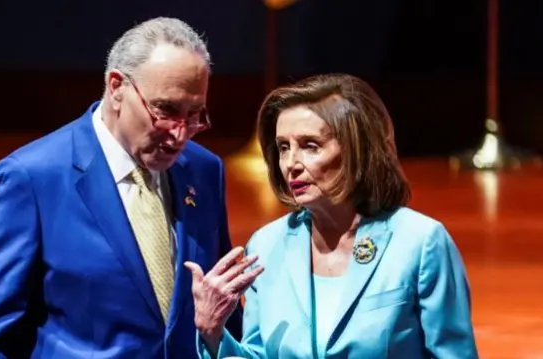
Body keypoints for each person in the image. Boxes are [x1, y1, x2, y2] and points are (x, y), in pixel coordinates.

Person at [0, 17, 242, 359]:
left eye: (195, 115)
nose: (180, 134)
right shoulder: (32, 178)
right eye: (165, 110)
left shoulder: (204, 171)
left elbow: (223, 309)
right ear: (117, 87)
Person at [186, 73, 479, 358]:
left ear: (359, 150)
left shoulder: (421, 242)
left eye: (310, 146)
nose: (291, 164)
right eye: (283, 148)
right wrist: (213, 333)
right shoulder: (266, 245)